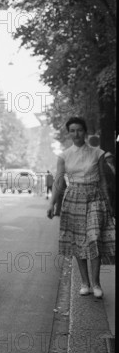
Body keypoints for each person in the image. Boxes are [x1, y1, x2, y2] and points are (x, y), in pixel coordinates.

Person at [47, 117, 115, 299]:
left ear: (85, 132)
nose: (76, 134)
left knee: (95, 239)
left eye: (79, 130)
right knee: (78, 242)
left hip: (95, 198)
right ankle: (85, 283)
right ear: (69, 133)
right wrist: (52, 203)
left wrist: (108, 204)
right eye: (72, 131)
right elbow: (59, 180)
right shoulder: (64, 156)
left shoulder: (97, 153)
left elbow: (102, 180)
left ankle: (97, 283)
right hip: (73, 198)